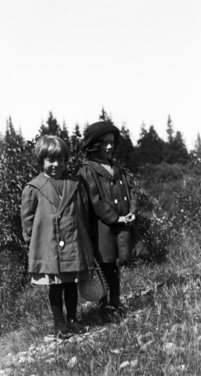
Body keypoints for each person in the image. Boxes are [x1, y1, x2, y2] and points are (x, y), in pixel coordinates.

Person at [21, 135, 94, 339]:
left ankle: (73, 318)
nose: (55, 164)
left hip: (73, 243)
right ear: (41, 161)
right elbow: (27, 219)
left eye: (60, 159)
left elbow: (83, 212)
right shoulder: (34, 188)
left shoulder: (74, 185)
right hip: (50, 246)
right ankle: (59, 323)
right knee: (55, 285)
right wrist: (32, 243)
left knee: (71, 283)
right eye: (50, 160)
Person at [79, 121, 144, 322]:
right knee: (104, 265)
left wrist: (132, 211)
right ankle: (105, 305)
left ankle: (115, 302)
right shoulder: (88, 171)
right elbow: (95, 200)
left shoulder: (119, 169)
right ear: (93, 145)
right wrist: (116, 218)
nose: (109, 146)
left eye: (112, 142)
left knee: (114, 265)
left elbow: (133, 190)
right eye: (104, 143)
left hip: (119, 226)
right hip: (102, 228)